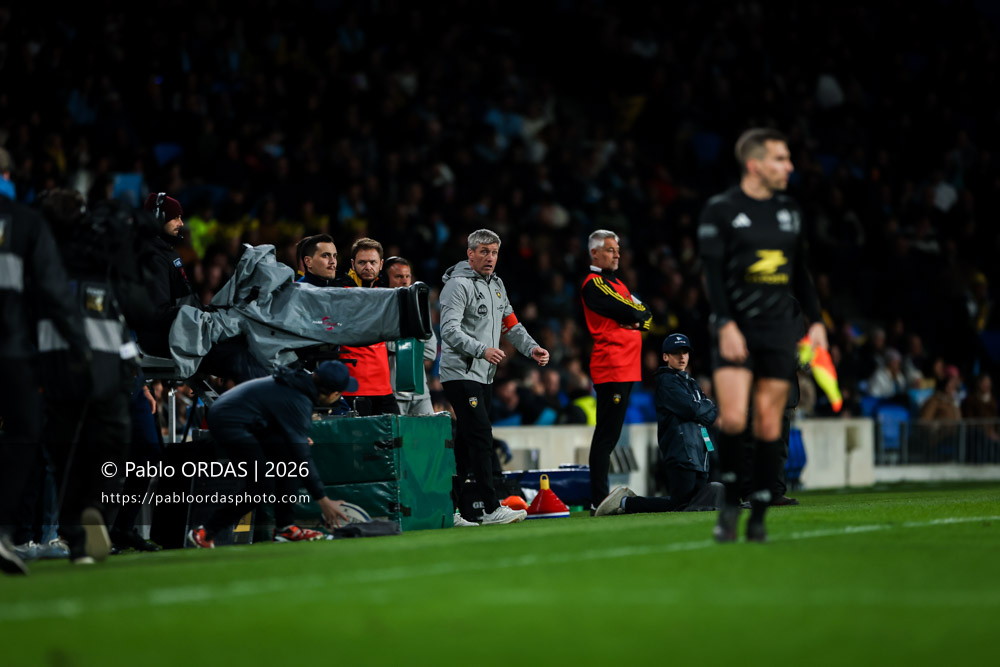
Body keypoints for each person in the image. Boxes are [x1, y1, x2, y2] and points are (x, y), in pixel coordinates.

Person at [697, 128, 827, 543]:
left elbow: (800, 273)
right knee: (735, 419)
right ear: (755, 165)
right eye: (780, 159)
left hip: (778, 331)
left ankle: (759, 515)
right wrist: (725, 323)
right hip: (736, 328)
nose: (789, 166)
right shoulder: (720, 210)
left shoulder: (790, 212)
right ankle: (730, 506)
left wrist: (816, 322)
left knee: (771, 424)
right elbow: (712, 276)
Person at [1, 149, 93, 575]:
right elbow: (54, 294)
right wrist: (81, 347)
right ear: (8, 175)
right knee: (24, 437)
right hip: (13, 350)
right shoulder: (25, 223)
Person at [439, 229, 549, 525]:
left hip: (483, 375)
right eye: (484, 252)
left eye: (494, 252)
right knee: (481, 437)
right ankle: (490, 508)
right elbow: (448, 330)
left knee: (465, 444)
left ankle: (450, 510)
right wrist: (481, 350)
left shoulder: (497, 285)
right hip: (461, 373)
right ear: (470, 254)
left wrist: (532, 348)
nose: (490, 258)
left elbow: (511, 325)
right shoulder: (457, 285)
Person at [186, 361, 354, 548]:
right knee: (261, 485)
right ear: (333, 394)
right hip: (229, 420)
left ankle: (285, 528)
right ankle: (206, 531)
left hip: (241, 417)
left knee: (289, 459)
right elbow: (303, 456)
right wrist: (323, 499)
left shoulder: (298, 384)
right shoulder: (300, 398)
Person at [135, 192, 268, 383]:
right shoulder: (153, 258)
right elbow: (158, 314)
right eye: (175, 218)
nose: (181, 223)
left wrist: (207, 314)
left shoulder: (165, 253)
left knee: (245, 342)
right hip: (166, 338)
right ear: (157, 219)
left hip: (183, 330)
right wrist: (201, 317)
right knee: (238, 357)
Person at [594, 334, 722, 516]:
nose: (682, 357)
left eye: (685, 352)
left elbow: (712, 412)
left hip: (699, 453)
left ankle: (627, 502)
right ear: (665, 357)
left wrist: (702, 409)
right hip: (682, 452)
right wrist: (703, 408)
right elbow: (693, 409)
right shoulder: (666, 381)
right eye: (676, 353)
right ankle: (626, 502)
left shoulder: (691, 382)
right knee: (679, 505)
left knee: (691, 504)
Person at [580, 229, 652, 511]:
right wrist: (635, 317)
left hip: (626, 367)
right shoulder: (594, 284)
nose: (617, 255)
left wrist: (637, 318)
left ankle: (598, 498)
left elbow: (647, 315)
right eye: (610, 250)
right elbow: (634, 311)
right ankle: (598, 499)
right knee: (606, 436)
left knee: (609, 435)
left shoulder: (617, 283)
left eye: (617, 250)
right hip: (612, 366)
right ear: (594, 253)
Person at [334, 238, 399, 416]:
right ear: (353, 264)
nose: (368, 267)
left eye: (372, 262)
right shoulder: (340, 292)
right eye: (362, 262)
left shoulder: (385, 293)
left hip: (383, 388)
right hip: (353, 387)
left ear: (381, 264)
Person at [384, 256, 438, 416]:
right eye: (398, 276)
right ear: (386, 279)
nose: (404, 281)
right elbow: (384, 345)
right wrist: (415, 342)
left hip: (421, 392)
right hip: (392, 392)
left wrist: (401, 345)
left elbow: (431, 352)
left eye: (407, 276)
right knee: (397, 433)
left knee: (428, 430)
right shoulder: (382, 309)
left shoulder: (420, 308)